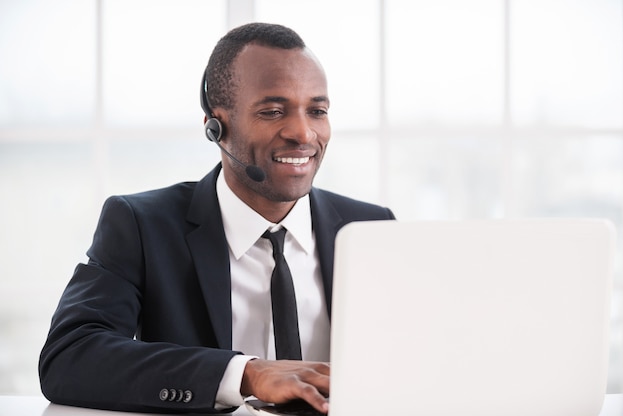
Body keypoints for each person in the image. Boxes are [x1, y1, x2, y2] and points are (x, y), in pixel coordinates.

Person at [39, 22, 395, 414]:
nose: (303, 133)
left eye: (317, 110)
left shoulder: (370, 229)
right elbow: (69, 356)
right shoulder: (142, 225)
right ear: (216, 126)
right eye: (273, 111)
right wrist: (246, 373)